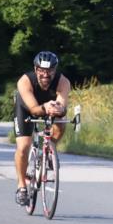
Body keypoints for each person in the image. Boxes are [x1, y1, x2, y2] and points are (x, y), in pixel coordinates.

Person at [13, 52, 71, 206]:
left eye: (50, 70)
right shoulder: (25, 81)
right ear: (35, 69)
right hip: (27, 107)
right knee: (24, 146)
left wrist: (59, 109)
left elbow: (63, 106)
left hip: (48, 105)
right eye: (41, 70)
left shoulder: (63, 82)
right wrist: (45, 107)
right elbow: (34, 109)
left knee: (61, 122)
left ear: (55, 69)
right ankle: (21, 186)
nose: (46, 74)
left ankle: (48, 151)